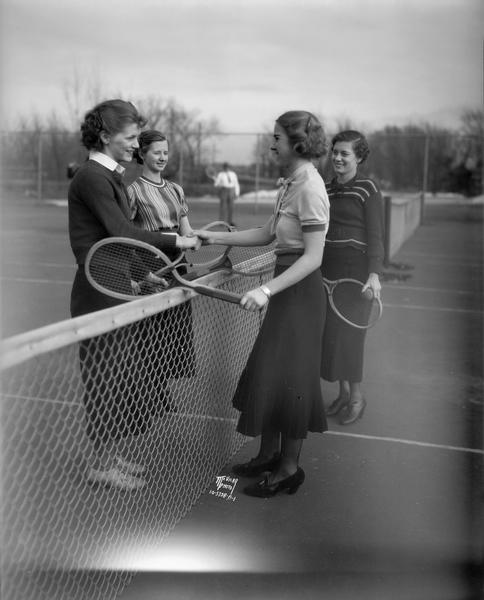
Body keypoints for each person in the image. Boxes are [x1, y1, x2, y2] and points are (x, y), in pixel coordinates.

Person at [68, 100, 201, 491]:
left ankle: (108, 457)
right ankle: (99, 465)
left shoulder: (108, 175)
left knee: (120, 375)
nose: (134, 144)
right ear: (105, 137)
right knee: (105, 378)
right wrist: (178, 238)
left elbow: (116, 240)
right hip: (98, 291)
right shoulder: (92, 177)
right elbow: (122, 231)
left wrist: (140, 277)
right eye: (128, 138)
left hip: (117, 285)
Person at [196, 111, 329, 498]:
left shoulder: (311, 188)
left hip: (300, 295)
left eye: (277, 139)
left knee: (293, 379)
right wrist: (213, 237)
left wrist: (266, 290)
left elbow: (313, 257)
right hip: (287, 290)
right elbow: (268, 233)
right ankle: (267, 456)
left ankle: (289, 469)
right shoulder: (292, 182)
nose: (271, 145)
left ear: (297, 144)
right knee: (271, 373)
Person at [126, 129, 196, 416]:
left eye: (166, 152)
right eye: (156, 152)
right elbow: (127, 236)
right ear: (142, 153)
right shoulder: (132, 191)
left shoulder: (176, 189)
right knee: (150, 331)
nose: (162, 157)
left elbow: (186, 230)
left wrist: (202, 238)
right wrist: (139, 271)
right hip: (149, 261)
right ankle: (152, 392)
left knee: (173, 331)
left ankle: (161, 387)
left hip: (175, 262)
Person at [320, 130, 384, 425]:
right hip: (328, 271)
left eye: (345, 153)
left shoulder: (368, 189)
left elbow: (376, 236)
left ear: (359, 157)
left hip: (357, 276)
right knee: (332, 336)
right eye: (335, 152)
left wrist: (374, 274)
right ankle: (344, 394)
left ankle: (357, 397)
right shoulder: (325, 189)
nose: (338, 158)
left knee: (351, 337)